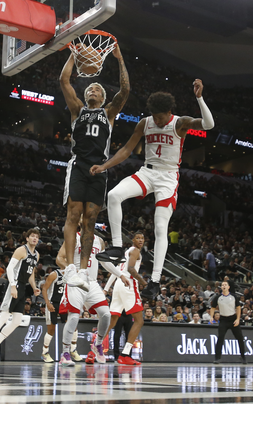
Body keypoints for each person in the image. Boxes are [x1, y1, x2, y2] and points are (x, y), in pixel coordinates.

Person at [93, 81, 215, 299]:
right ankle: (118, 248)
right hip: (147, 172)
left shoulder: (180, 123)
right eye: (154, 116)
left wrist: (199, 98)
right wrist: (105, 165)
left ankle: (155, 281)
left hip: (168, 177)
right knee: (113, 195)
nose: (157, 121)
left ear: (169, 112)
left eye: (160, 117)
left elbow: (209, 125)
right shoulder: (145, 123)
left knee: (160, 227)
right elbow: (126, 150)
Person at [58, 42, 129, 292]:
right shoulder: (77, 109)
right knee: (73, 214)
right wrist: (73, 55)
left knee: (90, 220)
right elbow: (64, 80)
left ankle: (85, 271)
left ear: (102, 97)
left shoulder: (109, 113)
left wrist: (119, 59)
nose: (93, 90)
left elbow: (125, 90)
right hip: (78, 165)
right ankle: (70, 268)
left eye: (97, 89)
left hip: (100, 168)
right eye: (90, 88)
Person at [0, 229, 41, 362]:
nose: (35, 239)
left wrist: (35, 287)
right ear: (27, 238)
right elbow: (9, 268)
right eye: (32, 236)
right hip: (15, 284)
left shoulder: (36, 255)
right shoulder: (21, 250)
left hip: (23, 287)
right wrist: (12, 285)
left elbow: (31, 273)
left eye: (37, 237)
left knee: (17, 320)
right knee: (5, 316)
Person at [56, 223, 113, 366]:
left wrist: (119, 274)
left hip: (92, 282)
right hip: (76, 281)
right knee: (74, 317)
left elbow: (104, 262)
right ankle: (65, 353)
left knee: (106, 314)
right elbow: (59, 259)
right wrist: (72, 272)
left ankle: (98, 345)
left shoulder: (99, 241)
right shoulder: (73, 237)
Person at [102, 232, 147, 365]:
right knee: (139, 320)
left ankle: (94, 350)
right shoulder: (135, 251)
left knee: (112, 320)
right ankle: (125, 354)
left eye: (142, 238)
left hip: (118, 285)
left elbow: (116, 271)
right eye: (137, 238)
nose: (140, 240)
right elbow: (131, 269)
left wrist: (106, 289)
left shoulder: (126, 252)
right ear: (132, 240)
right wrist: (143, 282)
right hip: (128, 283)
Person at [209, 281, 246, 364]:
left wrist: (237, 319)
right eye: (222, 285)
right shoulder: (218, 297)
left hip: (233, 319)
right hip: (223, 320)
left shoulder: (233, 296)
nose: (224, 286)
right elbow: (212, 308)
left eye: (225, 285)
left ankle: (243, 357)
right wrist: (211, 317)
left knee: (240, 338)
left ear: (229, 287)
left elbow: (238, 308)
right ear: (221, 287)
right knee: (220, 338)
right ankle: (217, 358)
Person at [40, 267, 67, 363]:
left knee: (71, 326)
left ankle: (70, 351)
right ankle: (45, 352)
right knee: (51, 329)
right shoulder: (54, 274)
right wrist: (47, 303)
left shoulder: (72, 273)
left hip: (64, 303)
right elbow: (44, 289)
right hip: (53, 303)